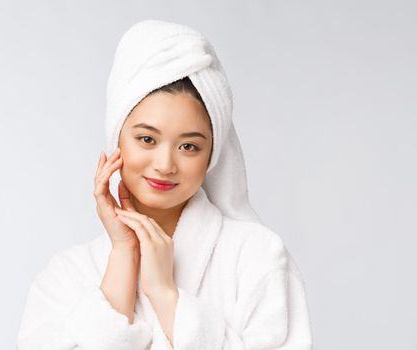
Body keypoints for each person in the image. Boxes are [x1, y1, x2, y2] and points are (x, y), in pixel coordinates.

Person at [17, 19, 313, 350]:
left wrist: (164, 294)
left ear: (212, 154)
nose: (165, 164)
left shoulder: (257, 256)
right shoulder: (65, 276)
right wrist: (123, 256)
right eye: (146, 139)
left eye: (189, 146)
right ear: (118, 139)